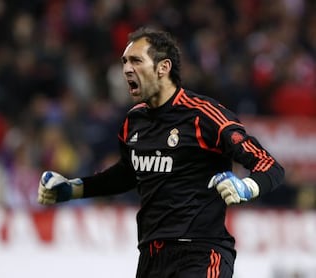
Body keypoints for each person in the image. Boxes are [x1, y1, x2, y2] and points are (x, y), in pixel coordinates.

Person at [37, 27, 284, 278]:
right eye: (124, 62)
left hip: (200, 254)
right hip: (151, 259)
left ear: (163, 68)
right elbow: (128, 173)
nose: (126, 69)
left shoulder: (204, 115)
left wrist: (246, 188)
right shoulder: (133, 121)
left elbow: (269, 165)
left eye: (136, 60)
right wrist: (73, 188)